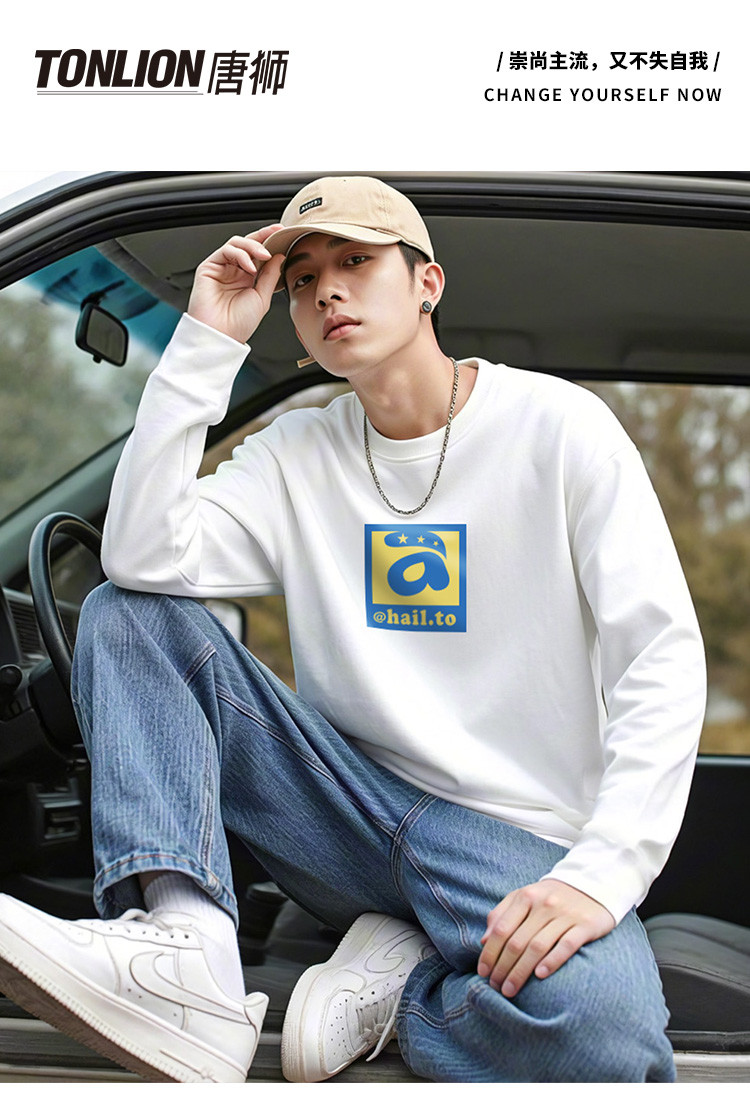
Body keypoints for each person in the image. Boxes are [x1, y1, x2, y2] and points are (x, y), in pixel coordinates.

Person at [0, 176, 706, 1083]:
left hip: (512, 844)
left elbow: (659, 661)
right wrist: (207, 339)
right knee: (128, 611)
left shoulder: (561, 428)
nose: (327, 289)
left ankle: (405, 983)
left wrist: (601, 875)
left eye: (356, 262)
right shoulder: (296, 452)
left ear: (427, 283)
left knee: (606, 1037)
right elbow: (140, 554)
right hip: (341, 813)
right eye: (302, 279)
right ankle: (185, 956)